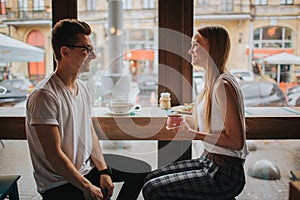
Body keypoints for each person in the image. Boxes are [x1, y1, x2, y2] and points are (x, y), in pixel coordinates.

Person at [26, 18, 151, 200]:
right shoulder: (44, 95)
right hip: (60, 183)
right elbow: (54, 156)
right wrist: (87, 187)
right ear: (65, 51)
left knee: (141, 170)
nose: (92, 55)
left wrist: (103, 171)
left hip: (86, 167)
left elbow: (89, 132)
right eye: (86, 49)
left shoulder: (82, 88)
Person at [142, 26, 248, 200]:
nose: (190, 51)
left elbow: (236, 141)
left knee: (152, 189)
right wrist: (181, 118)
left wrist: (194, 135)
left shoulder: (223, 85)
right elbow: (214, 120)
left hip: (225, 174)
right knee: (149, 179)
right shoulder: (214, 81)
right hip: (209, 161)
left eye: (196, 45)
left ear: (212, 48)